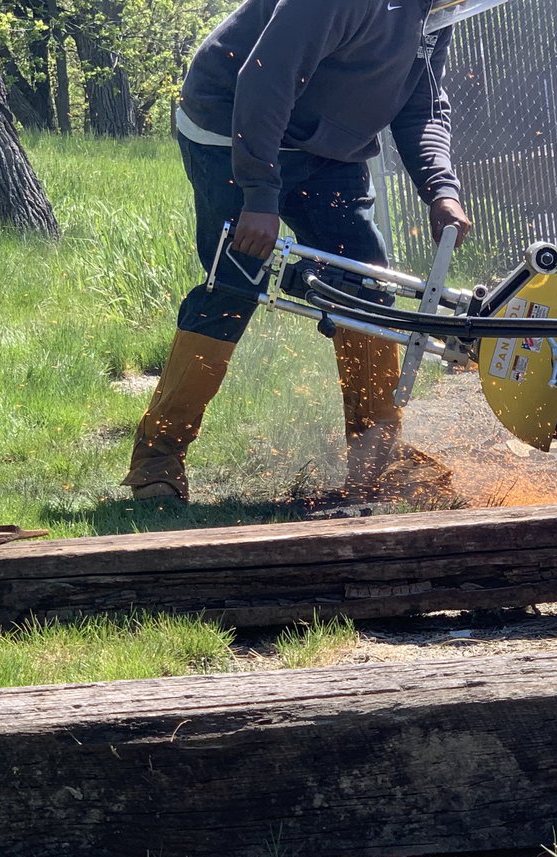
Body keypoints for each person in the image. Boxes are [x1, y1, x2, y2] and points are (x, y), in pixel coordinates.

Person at [122, 0, 472, 503]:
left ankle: (377, 455)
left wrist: (442, 189)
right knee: (236, 281)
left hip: (325, 148)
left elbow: (421, 108)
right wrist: (259, 195)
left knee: (367, 287)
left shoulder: (436, 11)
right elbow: (265, 79)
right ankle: (158, 459)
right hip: (232, 126)